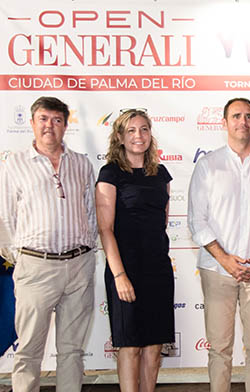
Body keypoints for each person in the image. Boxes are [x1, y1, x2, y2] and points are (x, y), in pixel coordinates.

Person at [187, 98, 250, 392]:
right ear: (224, 123)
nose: (243, 121)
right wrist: (225, 260)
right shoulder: (208, 166)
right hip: (217, 271)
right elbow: (198, 221)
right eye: (236, 116)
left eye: (249, 116)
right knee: (220, 350)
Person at [0, 96, 97, 391]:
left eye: (56, 120)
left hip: (79, 267)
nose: (49, 126)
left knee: (72, 351)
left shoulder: (81, 163)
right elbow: (5, 219)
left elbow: (91, 213)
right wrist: (25, 257)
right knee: (28, 351)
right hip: (35, 268)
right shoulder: (13, 164)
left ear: (66, 126)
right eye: (43, 119)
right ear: (32, 123)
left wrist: (85, 250)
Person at [95, 109, 174, 392]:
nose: (138, 136)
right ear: (119, 137)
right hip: (125, 269)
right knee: (129, 345)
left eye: (143, 129)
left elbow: (162, 222)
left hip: (158, 269)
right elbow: (106, 229)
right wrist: (119, 275)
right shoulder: (111, 173)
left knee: (154, 346)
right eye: (130, 130)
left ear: (151, 134)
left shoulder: (161, 173)